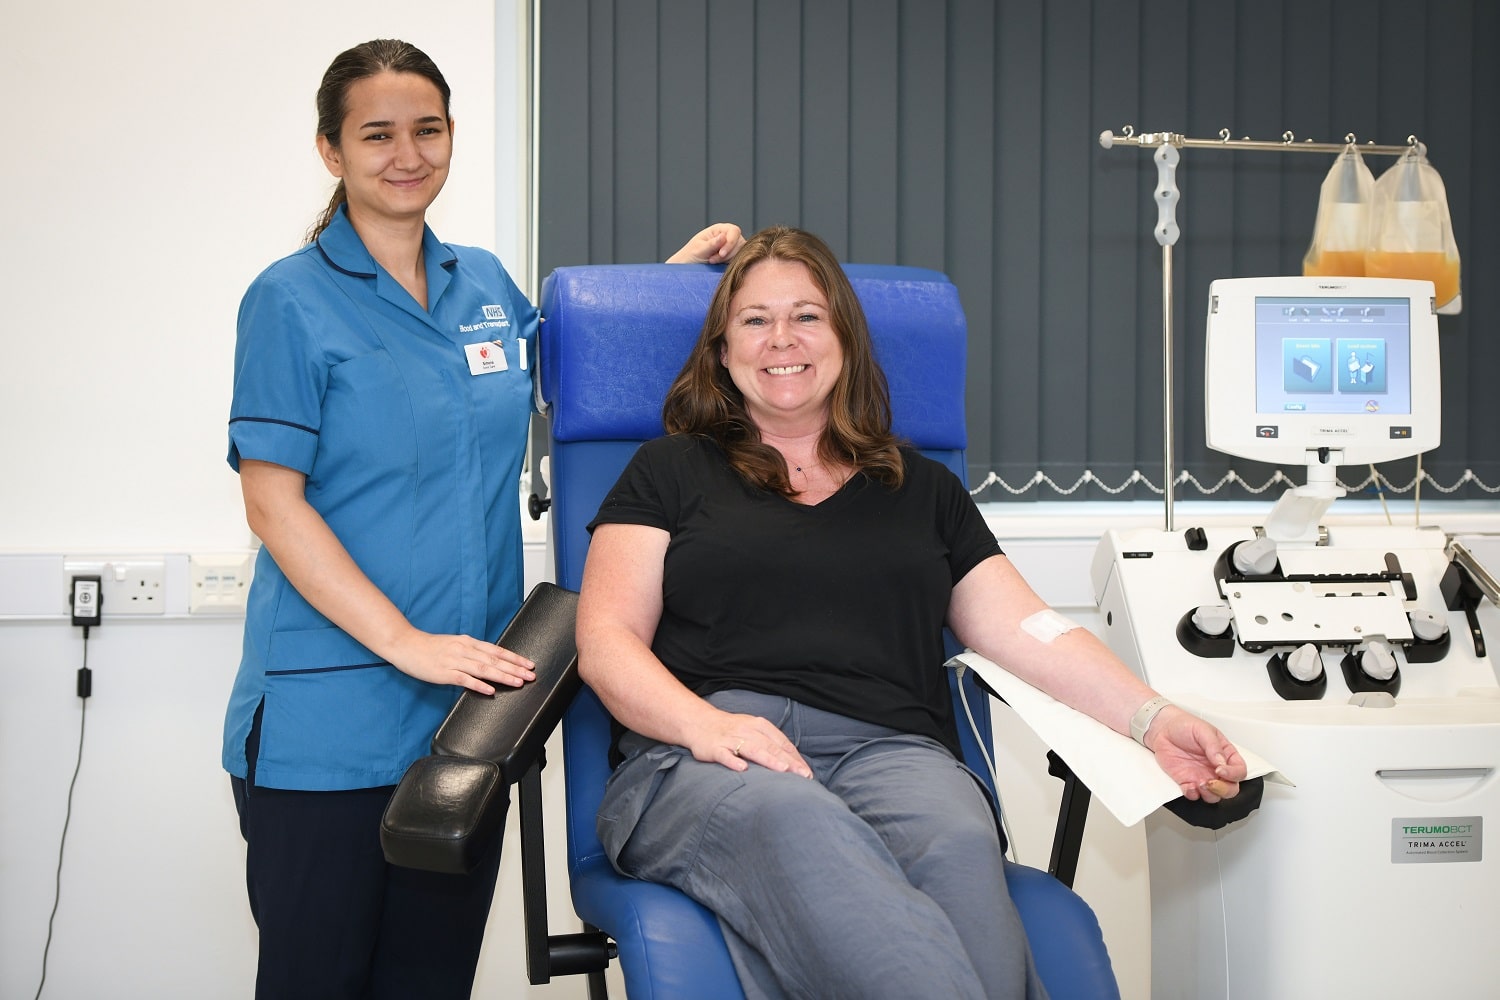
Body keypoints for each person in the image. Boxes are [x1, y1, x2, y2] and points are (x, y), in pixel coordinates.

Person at [575, 225, 1248, 1000]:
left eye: (807, 315)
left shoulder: (922, 489)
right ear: (723, 351)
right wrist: (708, 727)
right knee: (797, 825)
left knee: (961, 840)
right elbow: (606, 640)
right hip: (708, 749)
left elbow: (1032, 632)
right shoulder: (667, 470)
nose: (781, 339)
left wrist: (1154, 719)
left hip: (893, 752)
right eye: (755, 320)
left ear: (846, 340)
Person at [221, 38, 743, 1000]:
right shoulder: (288, 302)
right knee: (319, 980)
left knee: (431, 981)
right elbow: (271, 501)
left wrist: (669, 285)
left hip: (473, 714)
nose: (406, 153)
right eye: (376, 133)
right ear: (331, 150)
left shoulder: (483, 286)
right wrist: (405, 641)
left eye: (427, 129)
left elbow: (579, 376)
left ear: (451, 136)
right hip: (328, 720)